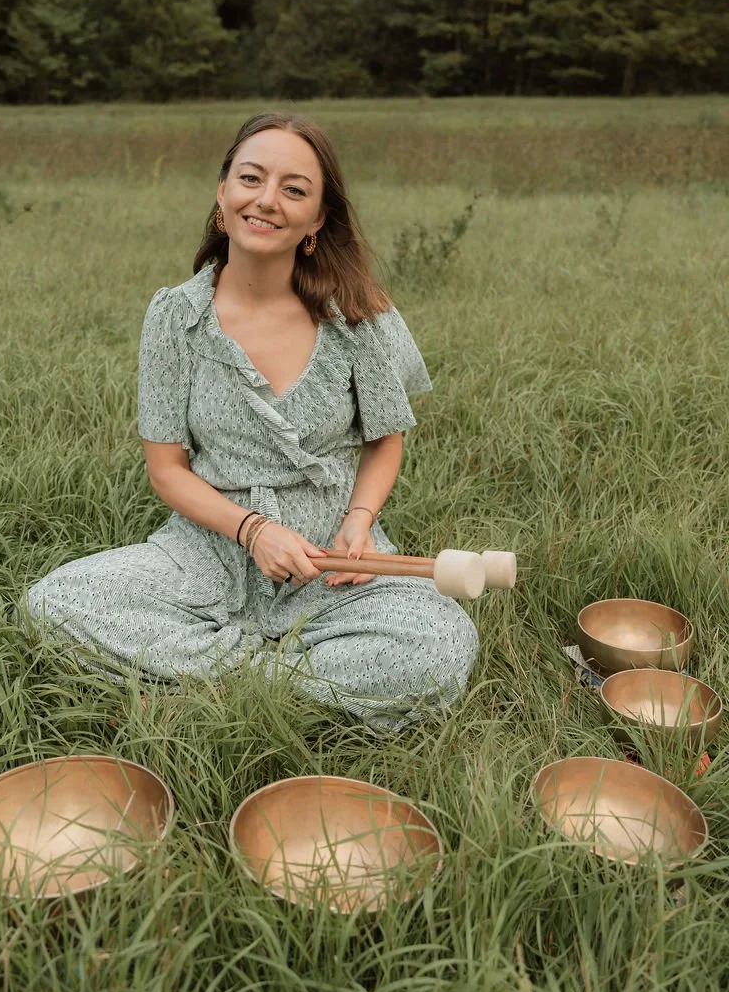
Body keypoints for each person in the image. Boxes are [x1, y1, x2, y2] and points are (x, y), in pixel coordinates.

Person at [24, 111, 478, 731]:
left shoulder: (358, 313)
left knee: (442, 644)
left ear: (317, 219)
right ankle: (289, 681)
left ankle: (210, 681)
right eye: (251, 179)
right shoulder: (174, 317)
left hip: (332, 563)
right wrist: (254, 531)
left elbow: (385, 443)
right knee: (56, 602)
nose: (267, 201)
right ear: (222, 192)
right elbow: (167, 472)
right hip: (206, 550)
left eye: (294, 190)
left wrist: (359, 524)